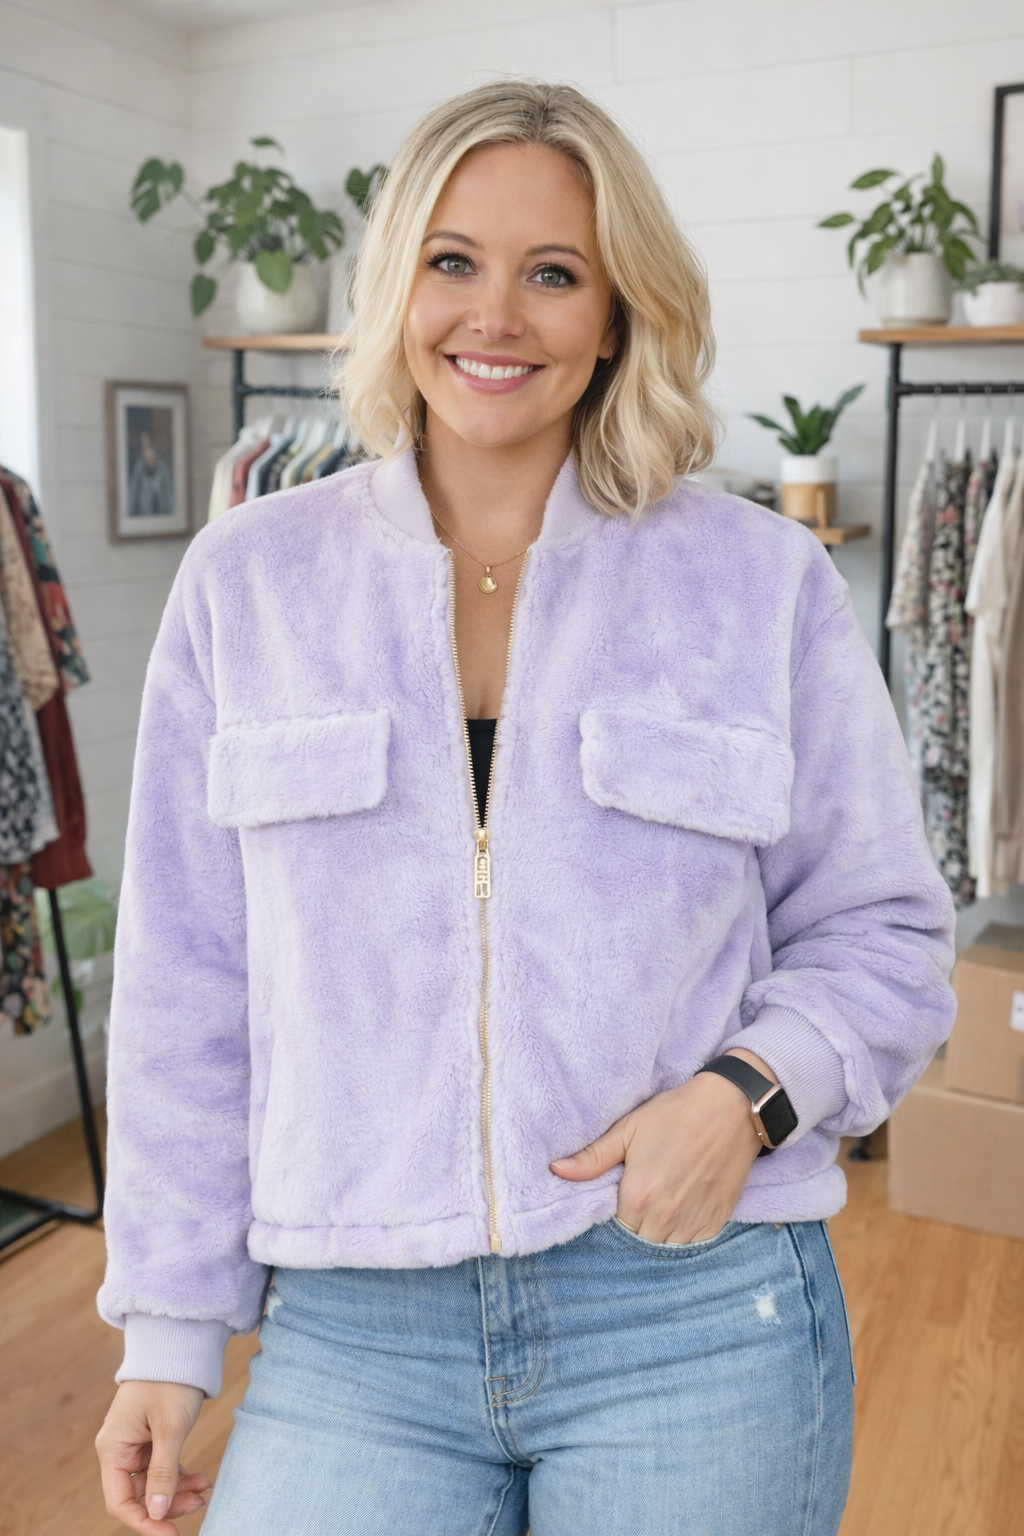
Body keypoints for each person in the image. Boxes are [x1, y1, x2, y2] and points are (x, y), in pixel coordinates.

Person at [95, 81, 955, 1536]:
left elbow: (885, 933)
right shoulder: (249, 584)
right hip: (355, 1327)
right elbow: (188, 988)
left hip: (687, 1302)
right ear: (395, 289)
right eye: (453, 262)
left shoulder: (761, 585)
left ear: (617, 315)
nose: (494, 316)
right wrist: (168, 1332)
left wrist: (742, 1099)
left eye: (552, 274)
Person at [127, 427, 174, 519]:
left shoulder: (162, 468)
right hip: (142, 516)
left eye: (148, 446)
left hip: (162, 517)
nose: (146, 451)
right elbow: (133, 494)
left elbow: (168, 495)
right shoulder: (138, 468)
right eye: (144, 447)